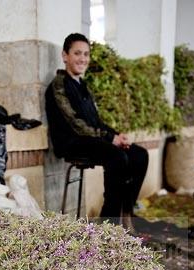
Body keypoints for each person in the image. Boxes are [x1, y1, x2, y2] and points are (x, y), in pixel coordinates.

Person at [45, 33, 149, 229]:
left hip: (91, 141)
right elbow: (76, 124)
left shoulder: (82, 86)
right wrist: (111, 139)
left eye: (86, 54)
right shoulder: (59, 85)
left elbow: (96, 122)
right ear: (65, 55)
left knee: (139, 155)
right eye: (77, 53)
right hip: (71, 143)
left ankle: (126, 212)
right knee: (117, 157)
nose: (82, 58)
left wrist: (117, 135)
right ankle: (107, 224)